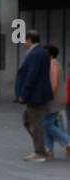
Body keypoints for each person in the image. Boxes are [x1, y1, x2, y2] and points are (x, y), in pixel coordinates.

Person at [15, 30, 53, 162]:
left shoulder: (35, 54)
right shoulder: (42, 52)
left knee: (35, 123)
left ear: (29, 39)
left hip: (35, 95)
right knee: (28, 120)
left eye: (24, 40)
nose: (23, 43)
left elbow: (32, 75)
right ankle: (42, 148)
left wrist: (23, 93)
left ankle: (40, 151)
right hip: (38, 94)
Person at [42, 46, 70, 158]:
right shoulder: (54, 63)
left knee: (46, 124)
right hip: (55, 99)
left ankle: (67, 141)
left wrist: (46, 97)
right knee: (48, 124)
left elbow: (52, 84)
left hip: (52, 99)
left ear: (50, 54)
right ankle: (49, 151)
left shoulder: (52, 64)